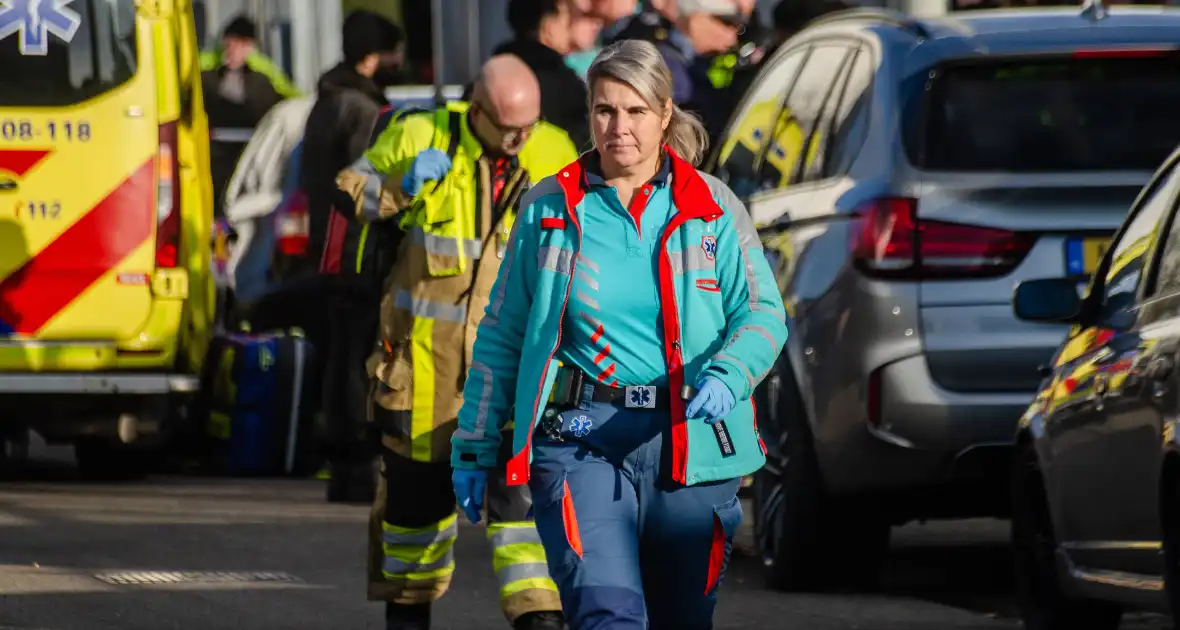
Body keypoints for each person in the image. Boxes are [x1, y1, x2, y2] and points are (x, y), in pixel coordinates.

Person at [451, 39, 788, 629]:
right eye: (605, 110)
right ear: (589, 116)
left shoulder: (712, 207)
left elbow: (763, 315)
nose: (619, 127)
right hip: (584, 440)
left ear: (664, 115)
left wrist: (730, 376)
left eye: (635, 112)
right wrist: (475, 445)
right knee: (608, 615)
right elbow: (502, 334)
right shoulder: (549, 208)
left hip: (693, 444)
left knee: (682, 618)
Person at [334, 55, 578, 630]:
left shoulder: (554, 149)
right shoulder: (421, 133)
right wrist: (398, 185)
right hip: (423, 377)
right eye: (509, 130)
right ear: (479, 111)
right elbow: (350, 191)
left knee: (525, 527)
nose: (521, 141)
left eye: (529, 128)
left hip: (513, 379)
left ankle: (541, 620)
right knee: (413, 527)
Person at [298, 10, 407, 504]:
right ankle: (357, 461)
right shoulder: (361, 110)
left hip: (327, 248)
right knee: (359, 360)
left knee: (338, 354)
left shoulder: (324, 101)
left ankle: (340, 462)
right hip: (357, 251)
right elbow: (370, 185)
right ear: (371, 58)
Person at [201, 15, 293, 218]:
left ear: (250, 47)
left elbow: (285, 101)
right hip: (215, 153)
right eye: (231, 43)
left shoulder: (262, 77)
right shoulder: (207, 75)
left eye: (241, 45)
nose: (234, 50)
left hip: (250, 152)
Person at [495, 0, 592, 150]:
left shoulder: (490, 77)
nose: (571, 27)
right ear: (549, 27)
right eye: (567, 19)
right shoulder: (566, 87)